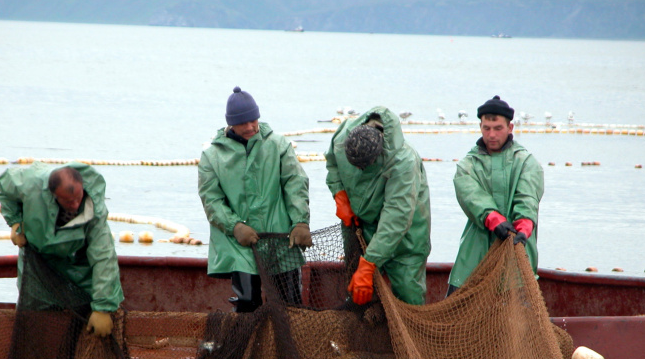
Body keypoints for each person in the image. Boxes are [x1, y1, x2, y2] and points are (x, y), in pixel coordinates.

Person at [198, 86, 312, 313]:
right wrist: (235, 226)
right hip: (239, 242)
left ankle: (283, 347)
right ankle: (250, 344)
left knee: (290, 304)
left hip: (281, 239)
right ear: (230, 124)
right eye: (243, 123)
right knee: (248, 302)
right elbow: (212, 200)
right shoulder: (211, 156)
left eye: (254, 120)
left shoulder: (278, 145)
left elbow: (295, 182)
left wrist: (300, 221)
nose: (250, 127)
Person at [0, 162, 124, 336]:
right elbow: (4, 186)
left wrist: (103, 308)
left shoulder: (94, 212)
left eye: (79, 198)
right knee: (35, 324)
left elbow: (103, 255)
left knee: (92, 307)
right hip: (37, 264)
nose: (76, 205)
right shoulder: (30, 182)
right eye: (69, 201)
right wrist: (15, 222)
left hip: (77, 263)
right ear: (53, 195)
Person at [326, 106, 431, 306]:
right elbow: (332, 164)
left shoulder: (404, 162)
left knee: (409, 294)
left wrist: (368, 265)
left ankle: (409, 334)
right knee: (358, 293)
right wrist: (340, 195)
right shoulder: (342, 138)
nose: (357, 170)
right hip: (360, 227)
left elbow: (396, 218)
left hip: (405, 234)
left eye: (362, 167)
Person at [447, 95, 544, 295]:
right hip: (476, 250)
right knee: (456, 309)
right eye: (486, 128)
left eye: (498, 128)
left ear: (510, 128)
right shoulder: (468, 165)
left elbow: (528, 198)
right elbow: (470, 195)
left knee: (521, 317)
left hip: (518, 248)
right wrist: (492, 218)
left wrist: (524, 226)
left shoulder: (526, 162)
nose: (492, 134)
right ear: (480, 127)